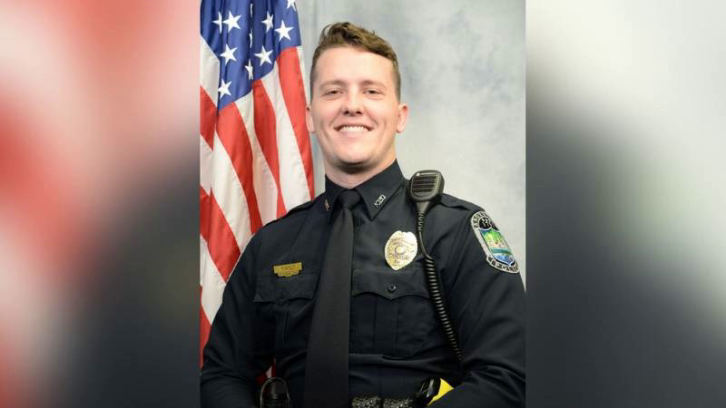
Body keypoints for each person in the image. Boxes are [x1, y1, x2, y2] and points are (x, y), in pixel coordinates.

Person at [201, 22, 525, 408]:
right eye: (333, 91)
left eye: (371, 91)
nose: (351, 104)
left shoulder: (453, 232)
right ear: (309, 116)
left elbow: (507, 377)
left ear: (400, 115)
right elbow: (223, 373)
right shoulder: (272, 245)